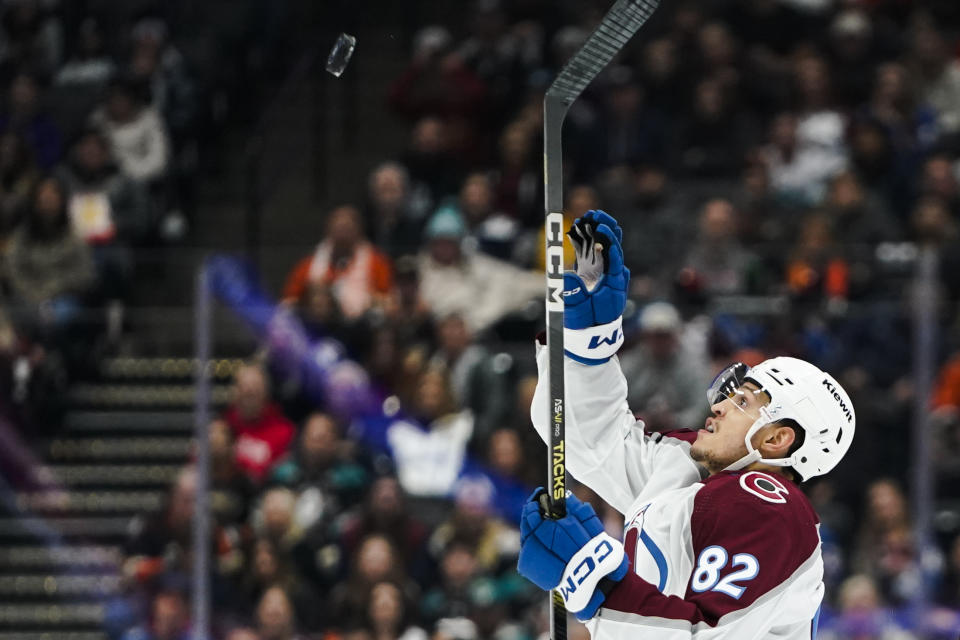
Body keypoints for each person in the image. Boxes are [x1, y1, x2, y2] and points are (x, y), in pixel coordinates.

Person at [517, 210, 856, 638]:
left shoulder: (769, 508)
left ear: (777, 439)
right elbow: (585, 437)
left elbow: (703, 634)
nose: (719, 408)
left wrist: (593, 583)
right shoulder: (686, 470)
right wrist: (589, 342)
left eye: (744, 401)